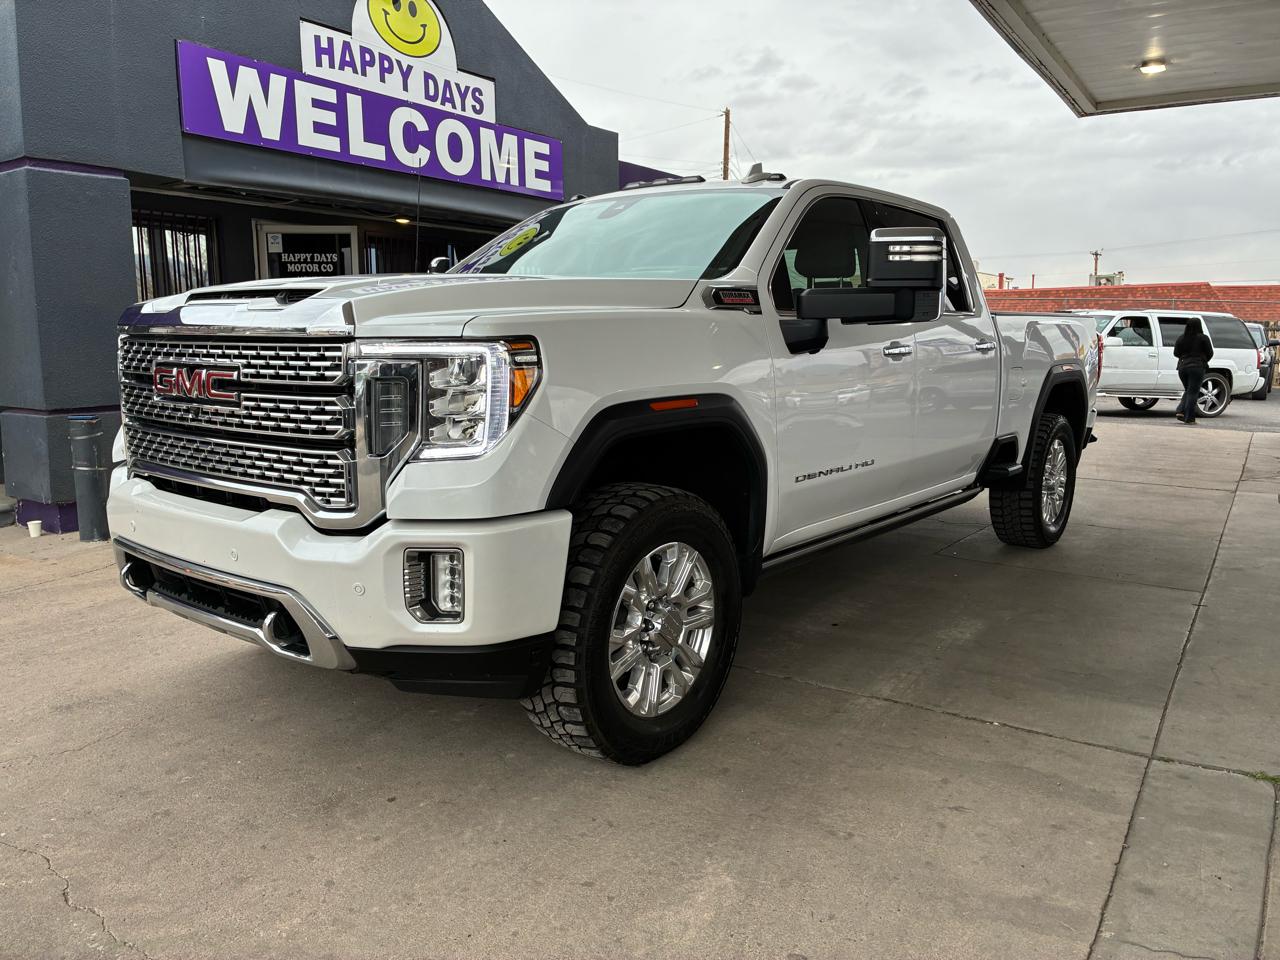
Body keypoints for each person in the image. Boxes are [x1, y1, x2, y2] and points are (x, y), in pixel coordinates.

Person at [1173, 318, 1214, 424]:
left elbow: (1176, 353)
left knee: (1189, 390)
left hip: (1182, 368)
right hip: (1197, 367)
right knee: (1193, 392)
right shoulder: (1203, 338)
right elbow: (1210, 353)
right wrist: (1203, 360)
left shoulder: (1181, 338)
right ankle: (1189, 418)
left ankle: (1181, 411)